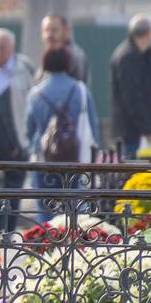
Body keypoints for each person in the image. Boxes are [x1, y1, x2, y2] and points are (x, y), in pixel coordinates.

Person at [25, 46, 94, 212]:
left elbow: (28, 130)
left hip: (44, 158)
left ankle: (46, 237)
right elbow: (93, 125)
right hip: (74, 156)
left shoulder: (35, 94)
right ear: (69, 65)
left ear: (44, 65)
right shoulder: (80, 90)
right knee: (74, 207)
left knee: (45, 210)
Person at [0, 28, 36, 234]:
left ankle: (10, 228)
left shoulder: (25, 70)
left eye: (3, 46)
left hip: (18, 138)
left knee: (14, 186)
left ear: (12, 48)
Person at [109, 15, 151, 158]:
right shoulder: (129, 57)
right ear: (149, 34)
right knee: (131, 174)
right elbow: (132, 97)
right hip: (131, 132)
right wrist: (147, 128)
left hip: (135, 130)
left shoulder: (137, 55)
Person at [40, 14, 90, 84]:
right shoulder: (48, 56)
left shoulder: (74, 56)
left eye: (54, 30)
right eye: (46, 30)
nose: (49, 35)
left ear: (66, 32)